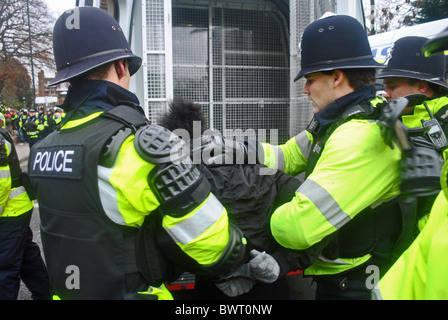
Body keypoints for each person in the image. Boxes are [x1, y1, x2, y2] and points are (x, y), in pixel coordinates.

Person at [27, 6, 276, 300]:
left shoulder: (42, 151)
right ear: (121, 66)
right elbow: (214, 246)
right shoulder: (142, 148)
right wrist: (242, 264)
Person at [244, 14, 408, 300]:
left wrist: (254, 206)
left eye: (310, 79)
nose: (305, 89)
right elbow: (288, 156)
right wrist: (239, 150)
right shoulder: (340, 119)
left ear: (336, 77)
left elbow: (297, 228)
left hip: (359, 287)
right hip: (336, 280)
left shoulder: (361, 137)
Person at [158, 98, 307, 300]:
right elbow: (308, 211)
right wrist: (281, 261)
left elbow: (169, 243)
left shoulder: (177, 181)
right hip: (268, 282)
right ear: (205, 130)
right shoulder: (258, 163)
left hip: (212, 288)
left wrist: (218, 272)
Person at [372, 26, 448, 301]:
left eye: (392, 86)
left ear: (422, 87)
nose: (385, 93)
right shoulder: (393, 119)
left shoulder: (445, 125)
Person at [0, 124, 51, 300]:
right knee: (26, 257)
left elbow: (2, 181)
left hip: (9, 211)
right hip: (14, 209)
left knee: (4, 268)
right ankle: (45, 292)